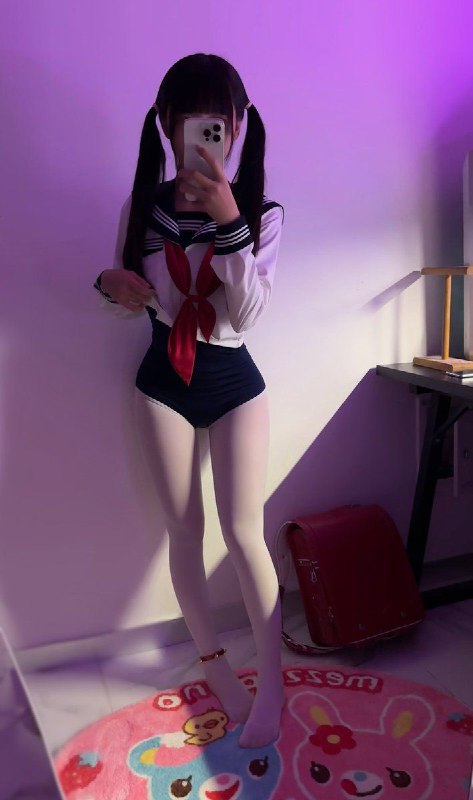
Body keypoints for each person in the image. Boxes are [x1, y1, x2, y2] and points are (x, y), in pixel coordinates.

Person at [93, 53, 285, 748]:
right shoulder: (142, 209)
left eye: (218, 122)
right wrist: (109, 285)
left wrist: (229, 219)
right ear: (166, 124)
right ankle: (216, 668)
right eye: (190, 120)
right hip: (162, 382)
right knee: (185, 531)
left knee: (243, 532)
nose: (206, 135)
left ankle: (274, 680)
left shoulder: (262, 212)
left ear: (237, 125)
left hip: (233, 380)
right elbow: (129, 299)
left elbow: (249, 314)